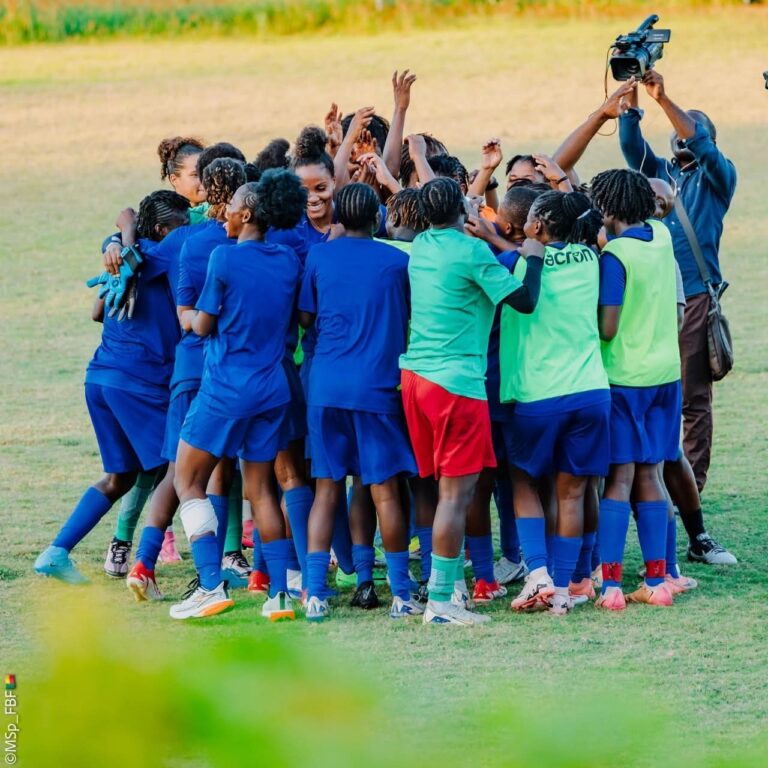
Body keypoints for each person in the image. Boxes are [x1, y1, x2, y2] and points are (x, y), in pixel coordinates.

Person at [399, 177, 545, 626]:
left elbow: (446, 209)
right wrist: (534, 253)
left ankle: (446, 592)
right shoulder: (471, 252)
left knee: (439, 488)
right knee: (456, 495)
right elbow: (524, 300)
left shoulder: (423, 244)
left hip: (416, 380)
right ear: (458, 211)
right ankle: (442, 602)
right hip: (456, 385)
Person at [169, 170, 306, 621]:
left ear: (244, 213)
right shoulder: (287, 259)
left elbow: (205, 325)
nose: (221, 216)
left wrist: (186, 316)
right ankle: (281, 596)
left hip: (227, 387)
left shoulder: (224, 259)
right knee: (262, 490)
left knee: (187, 479)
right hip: (273, 390)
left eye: (228, 211)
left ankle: (210, 584)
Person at [34, 191, 191, 584]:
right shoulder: (167, 255)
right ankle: (150, 562)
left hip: (100, 377)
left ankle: (56, 552)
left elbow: (96, 311)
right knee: (182, 465)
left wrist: (120, 238)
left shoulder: (127, 256)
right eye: (181, 227)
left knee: (119, 477)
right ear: (161, 230)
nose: (187, 233)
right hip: (138, 384)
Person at [618, 71, 737, 565]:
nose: (679, 134)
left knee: (692, 399)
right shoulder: (660, 176)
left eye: (689, 130)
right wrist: (628, 104)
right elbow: (631, 147)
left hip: (692, 301)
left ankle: (694, 490)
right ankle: (665, 484)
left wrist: (663, 97)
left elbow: (699, 142)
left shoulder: (718, 176)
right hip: (651, 301)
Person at [298, 183, 420, 621]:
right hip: (378, 387)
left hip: (326, 387)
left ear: (339, 218)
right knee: (384, 490)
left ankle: (314, 593)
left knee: (327, 489)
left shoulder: (318, 257)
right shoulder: (397, 262)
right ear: (378, 218)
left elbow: (306, 317)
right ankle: (401, 593)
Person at [126, 158, 245, 602]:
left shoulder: (182, 239)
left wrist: (116, 239)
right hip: (232, 371)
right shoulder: (251, 238)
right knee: (228, 473)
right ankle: (234, 569)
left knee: (181, 473)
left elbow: (137, 250)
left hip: (188, 367)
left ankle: (145, 561)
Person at [497, 190, 608, 615]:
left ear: (538, 226)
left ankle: (538, 574)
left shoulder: (519, 265)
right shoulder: (591, 260)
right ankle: (564, 590)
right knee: (572, 493)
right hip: (590, 392)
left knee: (523, 480)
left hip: (538, 396)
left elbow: (516, 277)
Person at [592, 168, 682, 610]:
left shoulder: (615, 256)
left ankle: (610, 586)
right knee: (652, 474)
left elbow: (608, 328)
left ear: (607, 210)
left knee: (619, 477)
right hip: (666, 374)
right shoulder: (662, 235)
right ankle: (657, 579)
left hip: (624, 376)